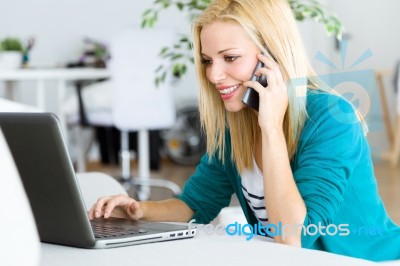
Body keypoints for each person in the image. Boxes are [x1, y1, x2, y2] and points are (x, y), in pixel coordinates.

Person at [89, 0, 400, 261]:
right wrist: (138, 210)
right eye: (208, 60)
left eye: (230, 58)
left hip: (364, 261)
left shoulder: (331, 117)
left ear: (272, 57)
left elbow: (294, 237)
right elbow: (195, 205)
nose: (214, 74)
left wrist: (271, 129)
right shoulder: (235, 124)